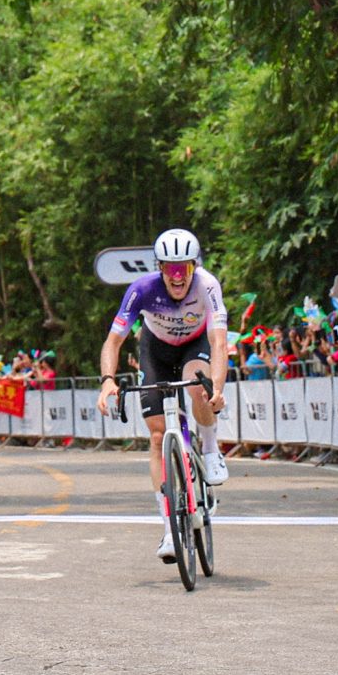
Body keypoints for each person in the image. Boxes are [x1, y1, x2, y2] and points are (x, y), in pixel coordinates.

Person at [96, 228, 230, 563]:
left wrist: (218, 387)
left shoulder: (207, 285)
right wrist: (107, 380)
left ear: (193, 267)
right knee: (157, 437)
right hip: (155, 352)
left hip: (194, 347)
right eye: (169, 269)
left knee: (198, 386)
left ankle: (211, 449)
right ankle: (170, 529)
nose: (177, 276)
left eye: (183, 268)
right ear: (159, 268)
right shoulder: (141, 290)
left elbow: (218, 343)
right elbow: (113, 341)